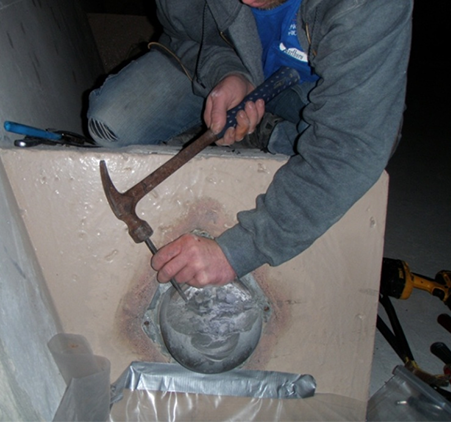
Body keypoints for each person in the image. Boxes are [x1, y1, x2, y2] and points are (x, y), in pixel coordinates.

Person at [87, 0, 412, 288]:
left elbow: (350, 142)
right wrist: (228, 73)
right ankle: (257, 125)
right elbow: (185, 34)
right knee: (112, 122)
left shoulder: (370, 5)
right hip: (232, 64)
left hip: (315, 92)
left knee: (354, 153)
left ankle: (268, 133)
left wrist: (237, 252)